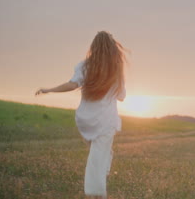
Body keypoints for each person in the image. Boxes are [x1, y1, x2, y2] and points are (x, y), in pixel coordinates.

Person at [35, 31, 127, 199]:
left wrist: (49, 90)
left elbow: (72, 84)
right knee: (96, 160)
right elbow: (122, 96)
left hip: (85, 119)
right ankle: (95, 194)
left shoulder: (85, 66)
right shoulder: (116, 70)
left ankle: (103, 167)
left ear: (93, 47)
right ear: (114, 49)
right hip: (105, 120)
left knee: (98, 154)